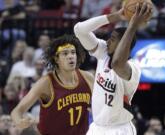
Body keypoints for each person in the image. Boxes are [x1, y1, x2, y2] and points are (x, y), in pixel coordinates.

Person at [74, 3, 152, 135]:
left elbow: (117, 64)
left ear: (123, 44)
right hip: (96, 127)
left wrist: (132, 25)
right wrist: (114, 17)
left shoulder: (133, 69)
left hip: (119, 130)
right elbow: (79, 30)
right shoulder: (103, 52)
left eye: (113, 39)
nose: (108, 41)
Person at [11, 34, 94, 135]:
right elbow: (17, 111)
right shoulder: (46, 82)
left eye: (73, 52)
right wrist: (19, 121)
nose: (70, 56)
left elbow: (103, 105)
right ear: (56, 59)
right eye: (65, 53)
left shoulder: (88, 78)